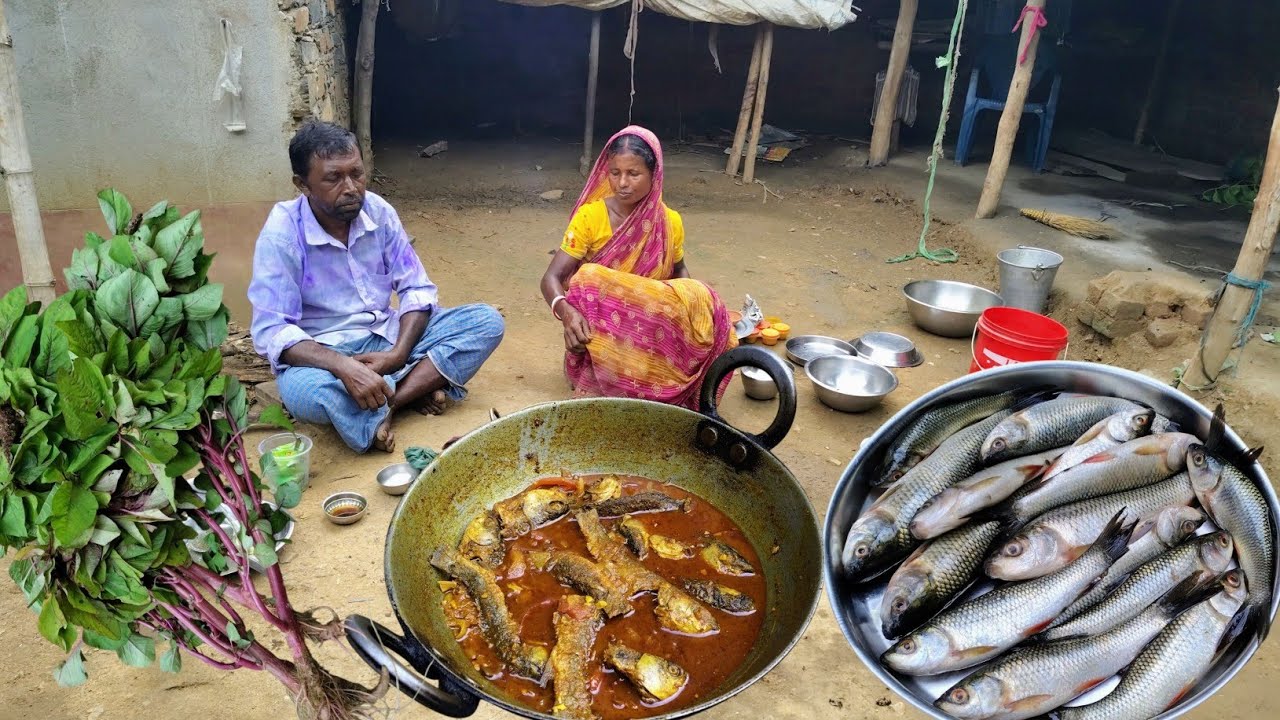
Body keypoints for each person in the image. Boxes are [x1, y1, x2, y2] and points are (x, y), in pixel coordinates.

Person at [249, 120, 504, 453]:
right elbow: (272, 330)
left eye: (356, 173)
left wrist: (397, 355)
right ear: (302, 184)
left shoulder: (378, 212)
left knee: (486, 322)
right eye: (333, 178)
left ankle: (389, 404)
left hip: (387, 338)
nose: (351, 188)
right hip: (324, 354)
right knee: (306, 396)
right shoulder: (283, 234)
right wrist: (344, 367)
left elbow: (416, 289)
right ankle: (416, 386)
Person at [539, 126, 736, 408]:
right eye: (615, 172)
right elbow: (551, 278)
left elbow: (679, 272)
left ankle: (656, 378)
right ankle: (603, 375)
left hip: (651, 337)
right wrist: (567, 313)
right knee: (588, 278)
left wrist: (690, 310)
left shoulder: (669, 222)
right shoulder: (591, 217)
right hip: (601, 338)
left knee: (701, 297)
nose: (622, 183)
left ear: (654, 175)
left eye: (633, 174)